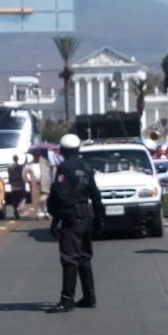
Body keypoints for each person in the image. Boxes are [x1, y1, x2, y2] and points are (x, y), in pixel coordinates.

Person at [46, 134, 104, 314]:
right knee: (84, 256)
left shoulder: (64, 168)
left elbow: (60, 196)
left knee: (69, 257)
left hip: (71, 215)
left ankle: (67, 299)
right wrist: (99, 218)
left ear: (62, 150)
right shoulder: (86, 167)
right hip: (86, 213)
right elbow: (95, 193)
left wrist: (56, 219)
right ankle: (89, 295)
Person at [24, 151, 53, 219]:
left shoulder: (45, 163)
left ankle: (45, 212)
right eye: (35, 156)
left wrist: (50, 181)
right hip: (35, 185)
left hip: (45, 183)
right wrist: (28, 180)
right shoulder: (29, 165)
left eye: (38, 156)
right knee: (36, 199)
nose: (37, 157)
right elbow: (24, 174)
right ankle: (39, 212)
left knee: (44, 198)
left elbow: (50, 172)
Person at [7, 155, 26, 220]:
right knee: (22, 198)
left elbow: (9, 174)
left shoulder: (10, 167)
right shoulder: (20, 166)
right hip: (20, 185)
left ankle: (16, 209)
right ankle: (18, 209)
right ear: (17, 159)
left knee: (15, 199)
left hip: (13, 185)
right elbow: (23, 171)